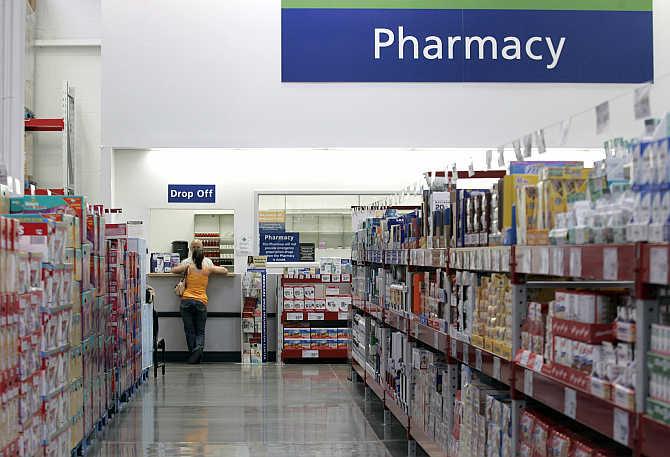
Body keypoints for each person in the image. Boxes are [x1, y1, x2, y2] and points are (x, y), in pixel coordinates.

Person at [171, 239, 229, 364]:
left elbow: (174, 270)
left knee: (189, 330)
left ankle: (194, 353)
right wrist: (215, 269)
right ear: (203, 255)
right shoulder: (207, 267)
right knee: (200, 331)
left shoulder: (188, 266)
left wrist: (185, 267)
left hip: (186, 300)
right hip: (201, 302)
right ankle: (198, 351)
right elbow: (225, 271)